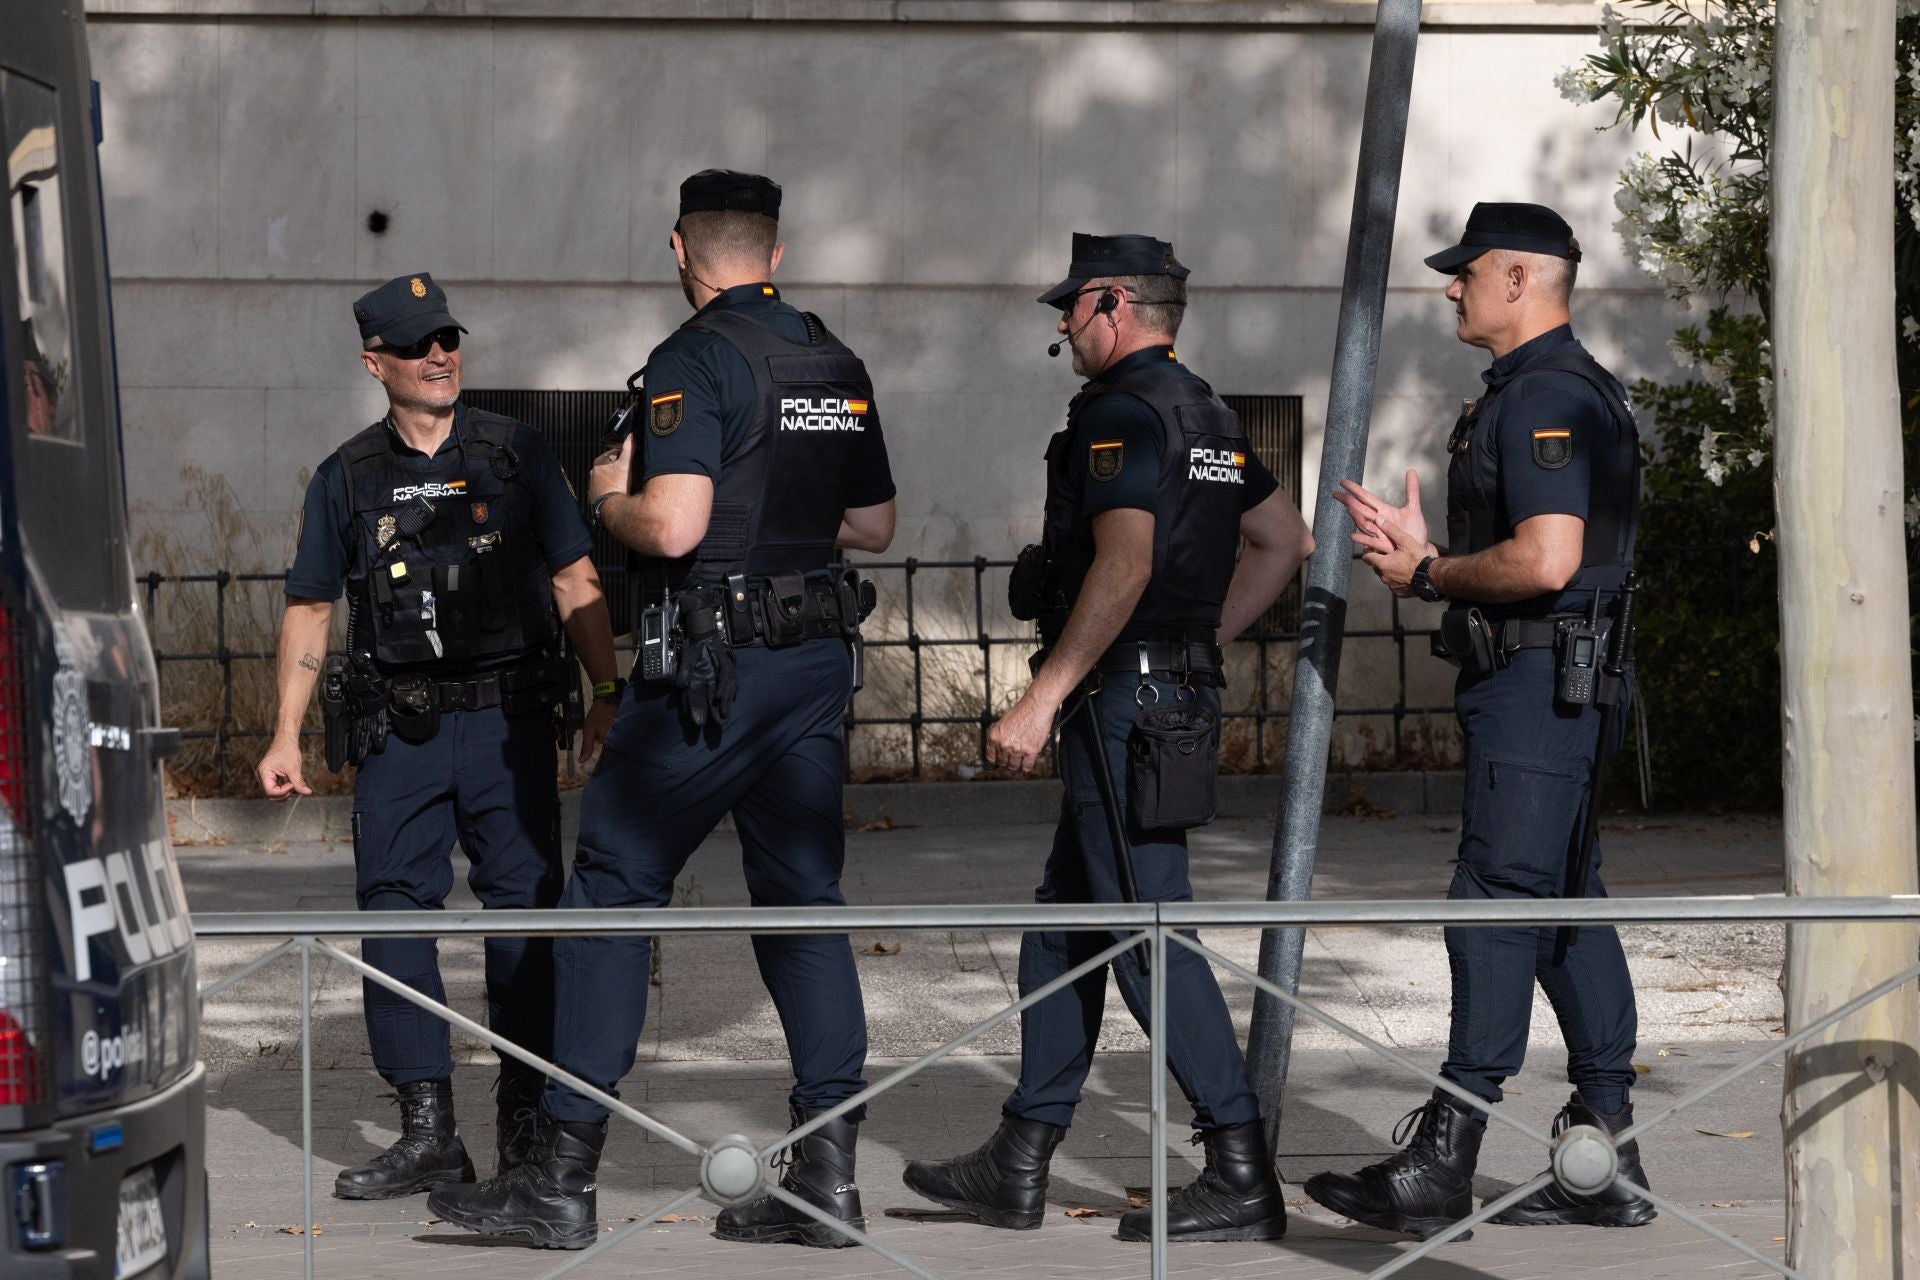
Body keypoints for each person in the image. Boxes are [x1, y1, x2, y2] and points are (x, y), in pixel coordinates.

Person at [428, 170, 896, 1251]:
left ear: (679, 247)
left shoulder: (696, 355)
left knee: (612, 882)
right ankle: (827, 1171)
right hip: (814, 661)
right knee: (801, 897)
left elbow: (675, 527)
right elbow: (870, 522)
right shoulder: (836, 358)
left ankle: (560, 1174)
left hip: (715, 670)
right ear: (774, 254)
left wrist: (603, 497)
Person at [901, 233, 1314, 1243]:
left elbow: (1123, 562)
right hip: (1162, 693)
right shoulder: (1206, 411)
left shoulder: (1123, 413)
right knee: (1065, 922)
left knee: (1147, 934)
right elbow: (1284, 541)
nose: (1059, 324)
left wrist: (1041, 696)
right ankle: (1022, 1151)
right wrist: (1200, 637)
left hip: (1122, 706)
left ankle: (1239, 1164)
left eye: (1069, 307)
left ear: (1112, 303)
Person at [1310, 201, 1653, 1236]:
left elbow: (1546, 559)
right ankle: (1610, 1157)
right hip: (1560, 685)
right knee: (1560, 907)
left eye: (1467, 271)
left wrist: (1428, 572)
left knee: (1495, 899)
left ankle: (1444, 1157)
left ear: (1519, 277)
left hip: (1538, 689)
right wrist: (1435, 557)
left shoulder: (1545, 392)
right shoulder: (1552, 387)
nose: (1452, 286)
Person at [257, 272, 620, 1202]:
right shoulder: (345, 476)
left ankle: (526, 1117)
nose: (441, 356)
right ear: (375, 361)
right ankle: (428, 1129)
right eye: (419, 345)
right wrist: (284, 737)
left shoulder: (517, 453)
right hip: (402, 731)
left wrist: (607, 691)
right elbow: (309, 607)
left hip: (508, 725)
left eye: (449, 338)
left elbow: (576, 579)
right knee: (393, 917)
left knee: (525, 916)